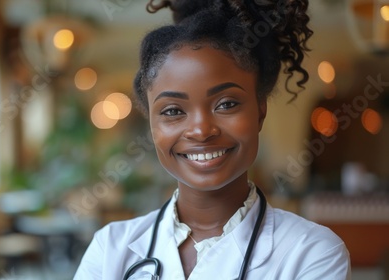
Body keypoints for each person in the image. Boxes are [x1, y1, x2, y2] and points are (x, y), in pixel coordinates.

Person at [74, 0, 351, 279]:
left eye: (226, 104)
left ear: (260, 111)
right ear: (151, 124)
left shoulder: (311, 252)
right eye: (172, 111)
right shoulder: (109, 248)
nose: (201, 130)